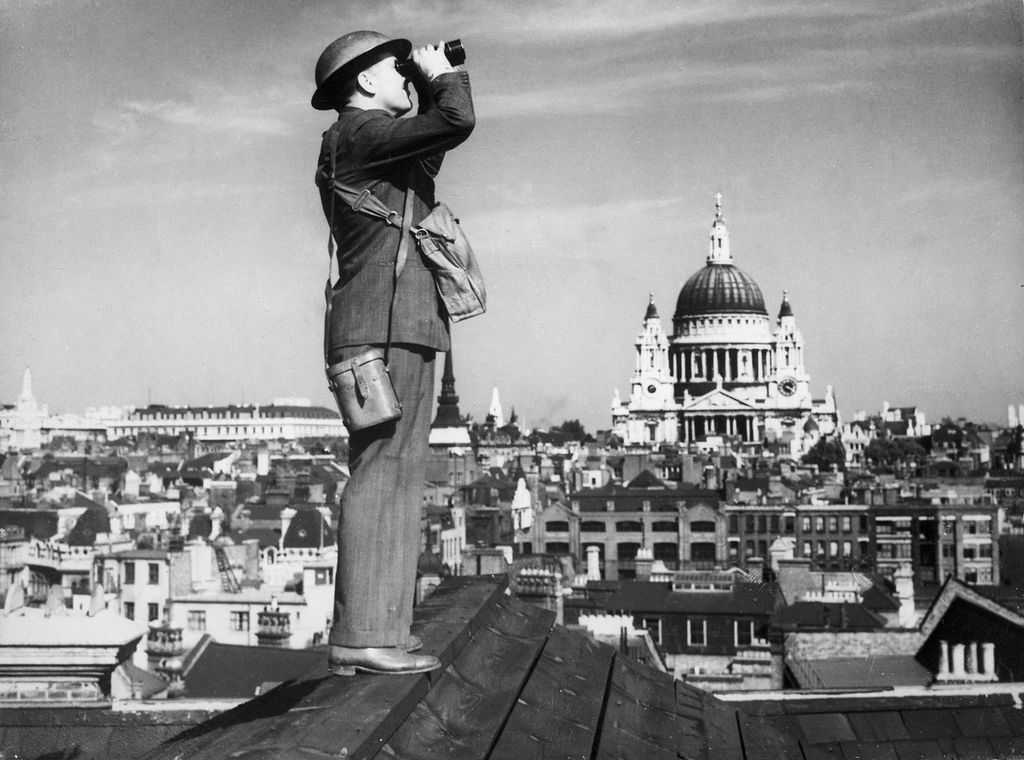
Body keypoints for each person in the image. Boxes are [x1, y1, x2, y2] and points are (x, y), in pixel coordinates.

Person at [311, 31, 475, 675]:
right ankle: (364, 636)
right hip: (384, 327)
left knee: (401, 474)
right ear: (363, 82)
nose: (404, 75)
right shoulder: (355, 133)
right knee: (384, 472)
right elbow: (456, 121)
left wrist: (431, 85)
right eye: (393, 68)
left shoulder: (372, 146)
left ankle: (382, 629)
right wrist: (438, 81)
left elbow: (432, 147)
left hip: (399, 322)